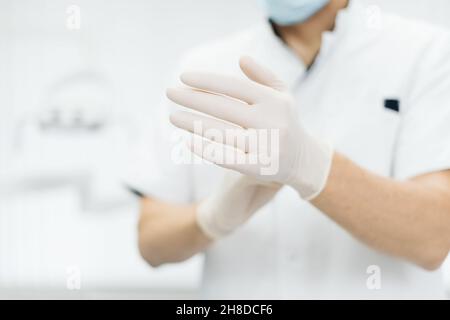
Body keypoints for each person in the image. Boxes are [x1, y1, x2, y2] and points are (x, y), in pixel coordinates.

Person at [128, 0, 450, 299]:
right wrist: (211, 218)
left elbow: (434, 237)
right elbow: (151, 242)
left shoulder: (427, 53)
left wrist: (310, 165)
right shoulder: (202, 66)